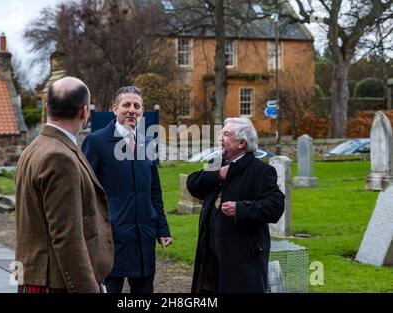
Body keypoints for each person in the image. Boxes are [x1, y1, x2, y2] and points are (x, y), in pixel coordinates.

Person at [15, 77, 114, 293]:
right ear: (84, 112)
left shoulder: (32, 149)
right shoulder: (59, 157)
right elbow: (67, 237)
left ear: (48, 107)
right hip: (54, 283)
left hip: (35, 277)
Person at [82, 86, 172, 293]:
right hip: (111, 239)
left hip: (143, 239)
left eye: (137, 106)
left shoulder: (147, 144)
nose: (132, 110)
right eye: (127, 105)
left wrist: (162, 229)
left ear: (142, 111)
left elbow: (154, 193)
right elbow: (85, 191)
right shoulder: (96, 142)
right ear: (115, 108)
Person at [187, 117, 285, 293]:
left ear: (241, 143)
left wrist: (241, 209)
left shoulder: (261, 171)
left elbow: (275, 206)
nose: (220, 138)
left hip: (242, 259)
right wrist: (217, 175)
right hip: (211, 255)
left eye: (226, 134)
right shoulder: (217, 164)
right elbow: (192, 184)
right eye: (220, 134)